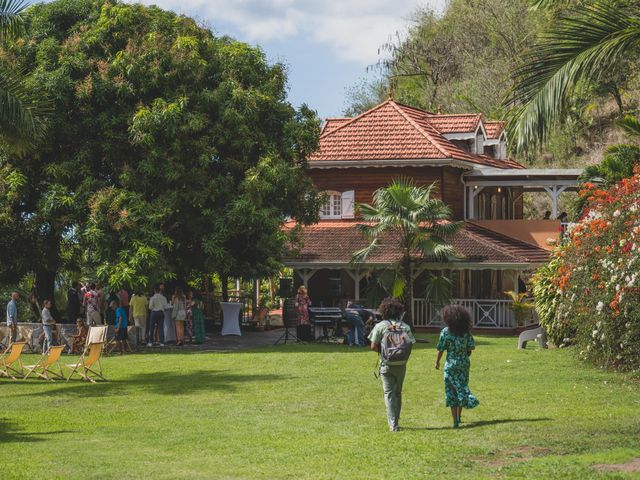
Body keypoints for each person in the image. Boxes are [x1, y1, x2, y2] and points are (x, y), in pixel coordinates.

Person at [368, 298, 416, 432]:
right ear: (399, 312)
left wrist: (384, 352)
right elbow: (411, 343)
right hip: (401, 364)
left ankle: (393, 424)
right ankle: (397, 419)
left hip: (386, 364)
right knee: (398, 393)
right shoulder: (405, 326)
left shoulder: (381, 326)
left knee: (388, 394)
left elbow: (372, 346)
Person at [435, 304, 479, 428]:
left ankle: (455, 421)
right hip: (464, 364)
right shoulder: (466, 333)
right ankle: (459, 416)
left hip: (450, 365)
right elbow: (471, 347)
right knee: (462, 387)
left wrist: (437, 362)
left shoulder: (445, 332)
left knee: (451, 391)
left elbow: (440, 348)